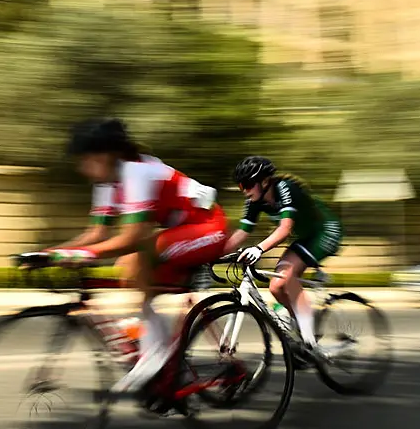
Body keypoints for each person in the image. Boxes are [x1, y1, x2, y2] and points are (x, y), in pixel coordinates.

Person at [46, 117, 228, 395]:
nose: (81, 168)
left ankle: (157, 352)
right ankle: (159, 351)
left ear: (107, 155)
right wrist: (52, 253)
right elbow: (95, 235)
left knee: (138, 253)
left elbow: (132, 237)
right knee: (133, 267)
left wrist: (80, 255)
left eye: (85, 159)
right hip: (181, 232)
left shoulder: (138, 172)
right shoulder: (106, 184)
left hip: (209, 228)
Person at [223, 156, 342, 360]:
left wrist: (259, 249)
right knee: (276, 287)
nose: (245, 190)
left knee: (288, 276)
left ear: (265, 181)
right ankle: (305, 323)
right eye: (241, 185)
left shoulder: (285, 188)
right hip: (305, 238)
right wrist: (215, 253)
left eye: (248, 184)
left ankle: (309, 342)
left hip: (325, 231)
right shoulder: (255, 200)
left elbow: (285, 228)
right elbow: (242, 232)